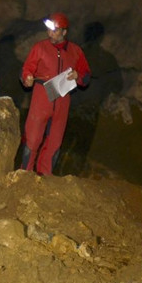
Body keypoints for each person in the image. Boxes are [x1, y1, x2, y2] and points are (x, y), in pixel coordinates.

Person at [20, 12, 91, 175]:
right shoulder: (40, 48)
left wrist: (78, 77)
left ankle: (45, 177)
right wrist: (27, 78)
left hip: (62, 99)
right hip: (42, 96)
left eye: (55, 30)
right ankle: (25, 175)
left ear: (64, 32)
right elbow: (26, 69)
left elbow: (86, 75)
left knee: (55, 141)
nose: (50, 34)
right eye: (49, 30)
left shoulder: (75, 51)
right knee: (33, 138)